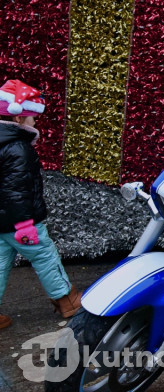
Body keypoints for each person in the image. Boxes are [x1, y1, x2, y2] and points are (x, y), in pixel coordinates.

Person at [0, 79, 82, 331]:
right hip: (21, 221)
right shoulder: (18, 148)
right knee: (45, 256)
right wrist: (25, 224)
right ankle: (67, 300)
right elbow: (17, 190)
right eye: (31, 117)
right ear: (18, 120)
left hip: (2, 221)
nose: (35, 122)